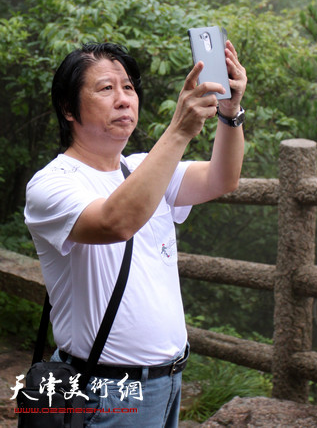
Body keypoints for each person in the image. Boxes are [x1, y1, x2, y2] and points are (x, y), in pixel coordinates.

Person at [24, 39, 247, 427]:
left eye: (128, 87)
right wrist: (178, 131)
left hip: (168, 383)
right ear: (68, 109)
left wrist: (230, 111)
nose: (124, 99)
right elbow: (115, 222)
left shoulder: (142, 168)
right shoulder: (51, 184)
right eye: (105, 88)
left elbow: (222, 178)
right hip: (104, 390)